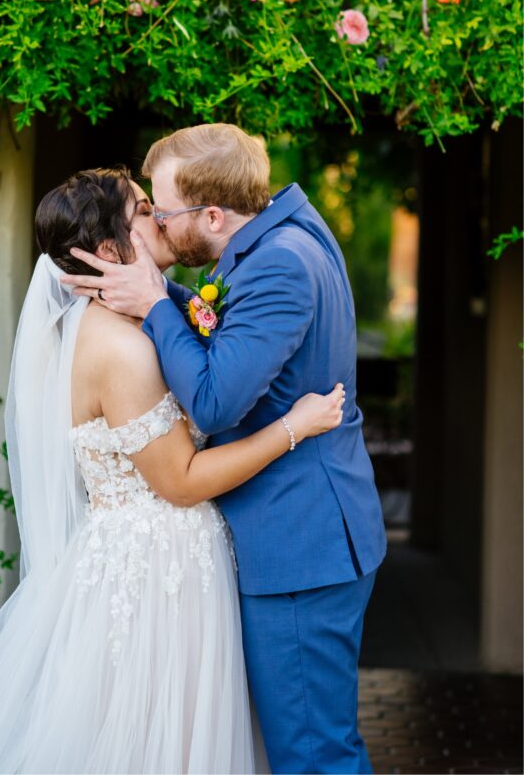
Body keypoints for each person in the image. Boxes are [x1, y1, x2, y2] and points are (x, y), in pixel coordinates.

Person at [0, 166, 345, 775]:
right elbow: (180, 481)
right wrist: (293, 428)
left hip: (162, 564)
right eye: (145, 211)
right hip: (155, 581)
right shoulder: (121, 350)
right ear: (107, 251)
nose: (163, 217)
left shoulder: (134, 326)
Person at [63, 124, 388, 775]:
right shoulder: (281, 234)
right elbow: (233, 338)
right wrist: (169, 298)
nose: (155, 219)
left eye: (162, 208)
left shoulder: (278, 265)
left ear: (211, 215)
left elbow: (213, 402)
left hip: (299, 545)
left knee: (313, 756)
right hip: (302, 534)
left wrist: (156, 303)